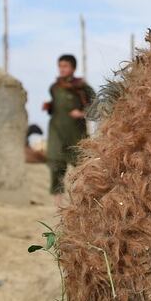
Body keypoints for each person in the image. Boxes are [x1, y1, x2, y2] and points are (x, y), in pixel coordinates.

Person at [43, 54, 96, 204]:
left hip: (76, 136)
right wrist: (50, 106)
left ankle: (83, 203)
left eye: (65, 66)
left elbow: (96, 105)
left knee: (82, 169)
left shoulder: (83, 87)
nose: (62, 69)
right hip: (56, 134)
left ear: (73, 68)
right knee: (56, 168)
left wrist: (82, 113)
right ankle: (58, 207)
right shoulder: (54, 88)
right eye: (60, 66)